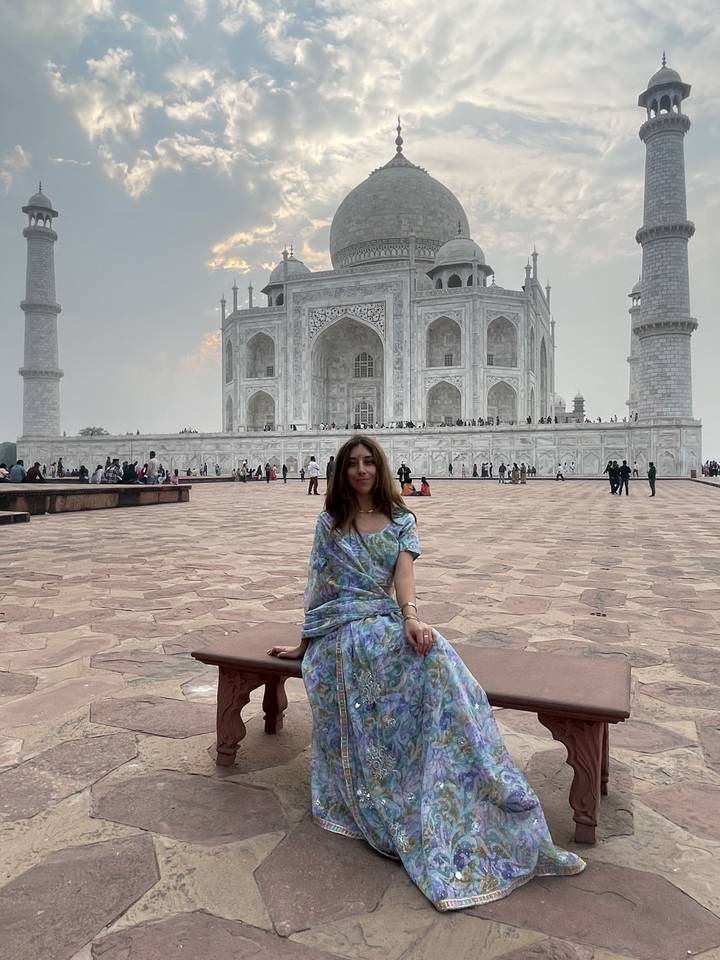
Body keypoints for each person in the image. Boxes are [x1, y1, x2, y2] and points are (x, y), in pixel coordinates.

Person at [267, 434, 585, 911]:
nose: (360, 470)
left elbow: (404, 580)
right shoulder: (329, 524)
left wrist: (412, 618)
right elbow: (318, 590)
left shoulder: (401, 521)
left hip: (385, 621)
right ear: (341, 471)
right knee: (399, 659)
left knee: (436, 660)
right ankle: (398, 777)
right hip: (341, 634)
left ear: (380, 467)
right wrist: (303, 642)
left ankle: (465, 771)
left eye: (368, 462)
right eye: (352, 463)